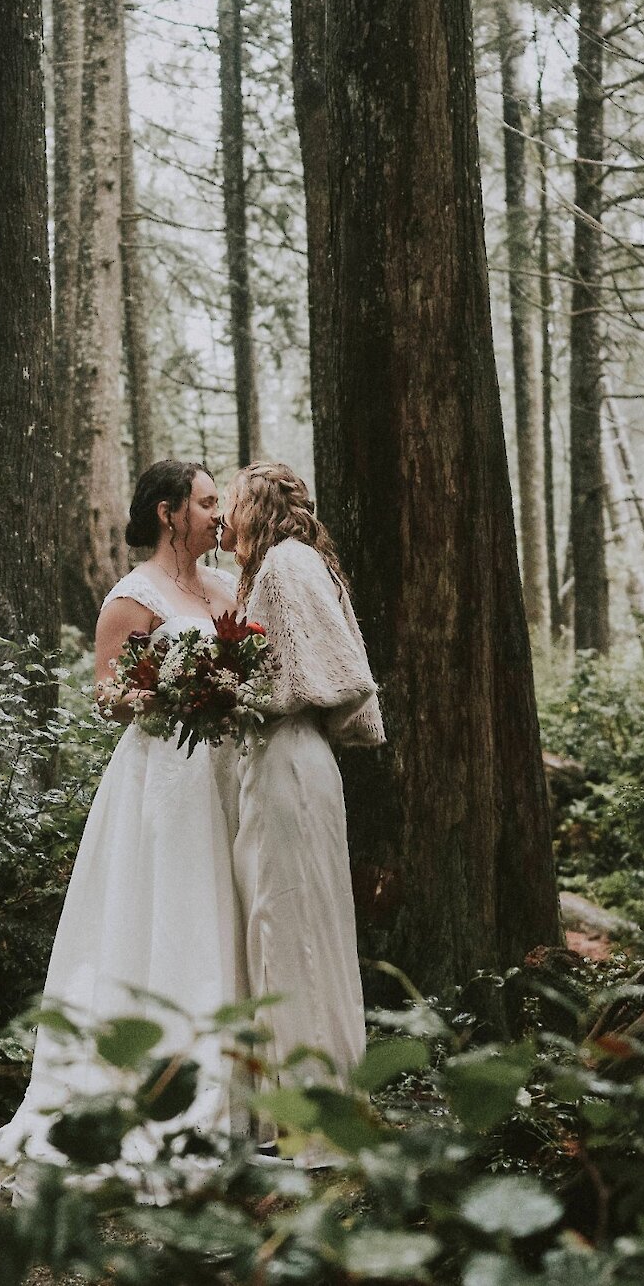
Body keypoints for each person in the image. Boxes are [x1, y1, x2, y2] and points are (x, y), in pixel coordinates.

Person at [0, 461, 249, 1183]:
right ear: (168, 513)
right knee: (174, 913)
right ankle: (161, 1090)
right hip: (165, 779)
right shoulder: (132, 598)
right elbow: (106, 697)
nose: (218, 515)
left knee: (232, 913)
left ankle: (239, 1088)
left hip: (229, 773)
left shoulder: (226, 589)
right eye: (206, 502)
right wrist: (172, 690)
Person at [223, 461, 382, 1153]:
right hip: (272, 761)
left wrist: (236, 695)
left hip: (289, 758)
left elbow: (338, 674)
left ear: (257, 506)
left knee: (298, 930)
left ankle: (312, 1126)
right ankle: (289, 1114)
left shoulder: (288, 566)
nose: (225, 519)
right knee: (278, 927)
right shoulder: (278, 567)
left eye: (231, 504)